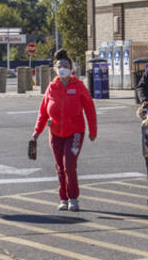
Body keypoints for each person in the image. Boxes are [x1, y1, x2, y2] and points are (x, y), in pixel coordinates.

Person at [27, 49, 96, 212]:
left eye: (66, 65)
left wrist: (93, 130)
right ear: (55, 68)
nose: (63, 68)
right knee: (59, 166)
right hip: (56, 132)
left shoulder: (78, 86)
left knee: (69, 165)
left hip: (75, 132)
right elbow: (43, 112)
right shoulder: (52, 87)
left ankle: (73, 198)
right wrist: (37, 131)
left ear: (71, 68)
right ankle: (63, 198)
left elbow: (90, 109)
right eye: (60, 66)